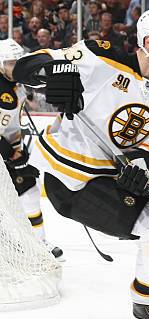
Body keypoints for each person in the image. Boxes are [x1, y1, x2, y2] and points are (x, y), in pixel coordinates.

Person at [9, 9, 149, 319]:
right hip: (69, 178)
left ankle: (145, 301)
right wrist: (56, 75)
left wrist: (142, 165)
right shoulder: (99, 56)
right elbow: (28, 66)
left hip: (106, 177)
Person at [0, 38, 63, 260]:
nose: (14, 67)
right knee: (26, 192)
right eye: (9, 63)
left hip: (10, 150)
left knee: (28, 191)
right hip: (5, 153)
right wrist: (10, 153)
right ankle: (33, 245)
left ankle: (37, 243)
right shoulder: (3, 95)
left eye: (17, 62)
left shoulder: (14, 84)